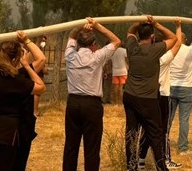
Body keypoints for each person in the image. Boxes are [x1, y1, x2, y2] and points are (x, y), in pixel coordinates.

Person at [0, 31, 45, 171]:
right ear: (17, 59)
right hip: (5, 134)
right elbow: (41, 87)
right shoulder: (17, 80)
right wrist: (27, 61)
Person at [62, 18, 121, 171]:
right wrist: (97, 26)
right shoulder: (98, 56)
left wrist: (80, 27)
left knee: (70, 146)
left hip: (73, 103)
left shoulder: (69, 55)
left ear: (77, 44)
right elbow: (116, 41)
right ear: (94, 45)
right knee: (92, 149)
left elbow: (71, 35)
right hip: (92, 106)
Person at [123, 16, 176, 171]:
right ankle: (161, 166)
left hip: (130, 96)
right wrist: (156, 23)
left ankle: (131, 166)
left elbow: (130, 31)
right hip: (148, 99)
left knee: (132, 133)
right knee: (155, 134)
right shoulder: (155, 49)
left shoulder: (132, 46)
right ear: (152, 37)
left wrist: (139, 23)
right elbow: (173, 38)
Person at [137, 19, 184, 170]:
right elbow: (177, 43)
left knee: (146, 128)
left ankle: (141, 160)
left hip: (147, 95)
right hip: (162, 95)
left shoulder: (144, 56)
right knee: (162, 130)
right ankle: (165, 160)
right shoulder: (163, 58)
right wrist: (178, 26)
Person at [15, 32, 48, 171]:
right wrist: (27, 40)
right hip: (21, 128)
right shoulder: (23, 75)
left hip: (1, 129)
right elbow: (41, 58)